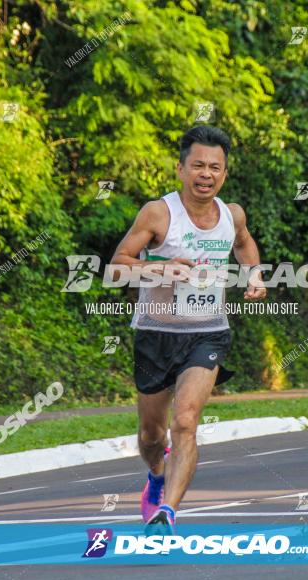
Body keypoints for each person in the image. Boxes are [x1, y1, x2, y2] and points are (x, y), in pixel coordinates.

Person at [109, 125, 266, 534]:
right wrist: (161, 268)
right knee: (150, 433)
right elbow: (118, 264)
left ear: (225, 174)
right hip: (155, 333)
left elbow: (245, 244)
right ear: (180, 168)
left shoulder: (232, 215)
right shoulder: (158, 213)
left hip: (208, 332)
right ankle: (156, 477)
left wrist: (254, 276)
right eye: (198, 165)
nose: (206, 174)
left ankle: (168, 512)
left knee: (186, 421)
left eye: (215, 167)